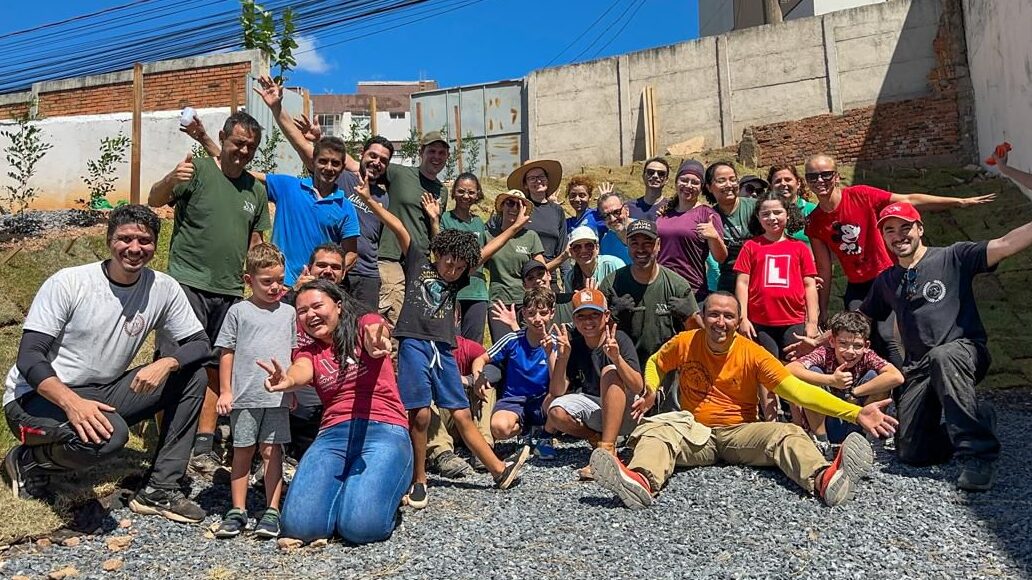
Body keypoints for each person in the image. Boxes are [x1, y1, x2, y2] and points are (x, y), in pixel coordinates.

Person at [588, 292, 899, 510]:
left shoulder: (753, 353)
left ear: (737, 321)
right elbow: (655, 362)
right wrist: (652, 388)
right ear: (703, 317)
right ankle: (640, 481)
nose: (720, 321)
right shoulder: (686, 342)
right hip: (694, 431)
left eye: (728, 316)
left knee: (787, 432)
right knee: (657, 431)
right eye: (713, 314)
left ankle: (825, 479)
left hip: (741, 433)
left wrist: (856, 413)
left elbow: (798, 390)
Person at [3, 205, 209, 522]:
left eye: (145, 240)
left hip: (104, 391)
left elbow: (199, 343)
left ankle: (160, 489)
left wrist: (167, 362)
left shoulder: (163, 287)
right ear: (109, 239)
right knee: (111, 438)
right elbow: (30, 357)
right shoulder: (69, 283)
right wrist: (72, 403)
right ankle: (29, 460)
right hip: (36, 397)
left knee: (192, 375)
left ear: (156, 244)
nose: (135, 248)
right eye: (125, 238)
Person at [356, 175, 531, 509]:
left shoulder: (459, 276)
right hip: (413, 345)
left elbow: (487, 250)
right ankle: (419, 480)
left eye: (460, 265)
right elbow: (400, 228)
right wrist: (371, 201)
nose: (453, 269)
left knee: (462, 414)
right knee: (419, 414)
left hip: (444, 350)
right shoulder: (420, 261)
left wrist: (513, 227)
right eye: (449, 261)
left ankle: (498, 470)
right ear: (439, 254)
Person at [860, 201, 1027, 490]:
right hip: (920, 369)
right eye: (890, 230)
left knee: (943, 355)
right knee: (912, 452)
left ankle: (978, 456)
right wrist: (819, 339)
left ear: (920, 228)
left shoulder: (954, 257)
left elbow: (1006, 242)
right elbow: (861, 317)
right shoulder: (887, 280)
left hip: (963, 352)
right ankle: (980, 418)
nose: (899, 235)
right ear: (884, 237)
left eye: (905, 227)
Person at [148, 111, 270, 475]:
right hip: (187, 284)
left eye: (250, 146)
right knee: (176, 362)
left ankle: (204, 443)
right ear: (223, 137)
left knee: (218, 369)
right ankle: (168, 443)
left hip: (230, 291)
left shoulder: (256, 190)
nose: (243, 150)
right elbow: (155, 199)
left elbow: (257, 242)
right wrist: (172, 178)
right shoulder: (198, 170)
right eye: (238, 143)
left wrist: (257, 283)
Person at [803, 153, 994, 368]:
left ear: (836, 176)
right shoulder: (815, 221)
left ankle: (907, 386)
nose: (819, 181)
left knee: (888, 338)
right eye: (812, 177)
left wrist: (957, 202)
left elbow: (908, 200)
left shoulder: (860, 195)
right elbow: (824, 269)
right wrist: (822, 309)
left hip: (887, 278)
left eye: (825, 175)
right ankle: (879, 392)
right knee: (857, 339)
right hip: (858, 285)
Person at [260, 280, 410, 544]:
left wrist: (378, 342)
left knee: (361, 528)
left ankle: (388, 487)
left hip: (383, 428)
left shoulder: (363, 324)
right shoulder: (309, 351)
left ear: (339, 306)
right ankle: (357, 489)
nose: (311, 315)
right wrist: (287, 381)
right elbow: (301, 370)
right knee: (299, 527)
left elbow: (375, 330)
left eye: (317, 306)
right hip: (333, 434)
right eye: (303, 311)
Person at [212, 244, 295, 539]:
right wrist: (225, 391)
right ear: (249, 281)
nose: (275, 287)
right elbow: (227, 351)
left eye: (280, 280)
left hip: (277, 398)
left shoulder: (289, 313)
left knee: (273, 452)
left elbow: (294, 354)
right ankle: (238, 509)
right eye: (267, 282)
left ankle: (272, 510)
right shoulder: (239, 311)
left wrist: (293, 387)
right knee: (243, 450)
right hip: (245, 397)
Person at [599, 220, 701, 412]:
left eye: (647, 243)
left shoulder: (677, 285)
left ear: (658, 245)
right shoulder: (612, 283)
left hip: (667, 368)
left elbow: (699, 336)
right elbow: (594, 331)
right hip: (626, 365)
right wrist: (613, 314)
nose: (641, 249)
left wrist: (689, 317)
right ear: (627, 246)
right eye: (635, 243)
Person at [547, 288, 643, 478]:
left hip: (627, 410)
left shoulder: (619, 339)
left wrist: (617, 360)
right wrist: (563, 358)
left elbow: (638, 386)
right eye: (581, 316)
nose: (588, 321)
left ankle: (607, 452)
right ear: (574, 319)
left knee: (610, 372)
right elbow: (557, 391)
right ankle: (596, 439)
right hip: (597, 410)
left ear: (606, 316)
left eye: (594, 315)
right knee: (555, 411)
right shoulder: (574, 344)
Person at [787, 311, 903, 452]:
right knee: (812, 374)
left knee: (877, 377)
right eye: (843, 344)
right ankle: (821, 441)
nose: (850, 351)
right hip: (828, 420)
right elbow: (790, 369)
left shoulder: (868, 356)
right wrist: (831, 380)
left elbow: (896, 376)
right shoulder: (824, 353)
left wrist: (854, 393)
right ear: (832, 341)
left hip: (859, 420)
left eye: (857, 346)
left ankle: (869, 441)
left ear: (866, 346)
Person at [375, 131, 451, 324]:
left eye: (442, 153)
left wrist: (434, 219)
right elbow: (361, 167)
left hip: (419, 261)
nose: (436, 157)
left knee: (414, 319)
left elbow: (436, 239)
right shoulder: (399, 173)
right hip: (392, 256)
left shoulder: (442, 190)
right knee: (392, 313)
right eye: (431, 151)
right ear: (421, 153)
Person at [475, 288, 557, 459]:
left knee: (559, 399)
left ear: (552, 313)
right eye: (532, 313)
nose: (537, 319)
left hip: (544, 399)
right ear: (524, 315)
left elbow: (558, 381)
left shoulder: (556, 343)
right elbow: (481, 358)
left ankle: (545, 437)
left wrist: (550, 353)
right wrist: (478, 376)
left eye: (543, 313)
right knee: (499, 428)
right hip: (514, 399)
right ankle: (525, 431)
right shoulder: (512, 339)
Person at [425, 331, 496, 478]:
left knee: (487, 386)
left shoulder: (468, 347)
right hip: (438, 420)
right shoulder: (421, 349)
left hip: (466, 414)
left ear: (456, 317)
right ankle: (442, 454)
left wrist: (471, 380)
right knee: (420, 397)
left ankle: (484, 448)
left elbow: (495, 368)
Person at [656, 159, 727, 303]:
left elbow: (721, 257)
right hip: (660, 288)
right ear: (676, 182)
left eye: (695, 182)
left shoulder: (707, 214)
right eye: (684, 180)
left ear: (701, 187)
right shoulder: (664, 214)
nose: (688, 186)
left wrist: (714, 237)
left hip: (692, 290)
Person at [483, 190, 545, 342]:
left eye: (519, 205)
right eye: (510, 203)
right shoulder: (488, 235)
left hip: (526, 302)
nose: (514, 208)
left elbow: (542, 269)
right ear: (502, 206)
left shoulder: (530, 236)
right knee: (504, 348)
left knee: (529, 346)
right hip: (500, 301)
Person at [440, 172, 490, 343]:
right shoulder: (445, 218)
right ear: (453, 192)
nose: (466, 196)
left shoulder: (479, 223)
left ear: (477, 194)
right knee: (452, 341)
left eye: (471, 192)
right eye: (461, 191)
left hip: (477, 291)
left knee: (473, 344)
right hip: (453, 289)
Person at [507, 160, 570, 280]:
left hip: (549, 277)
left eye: (541, 177)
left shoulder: (557, 211)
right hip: (524, 277)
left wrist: (567, 279)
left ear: (547, 180)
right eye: (532, 178)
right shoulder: (520, 208)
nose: (538, 181)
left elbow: (562, 248)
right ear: (525, 184)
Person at [705, 162, 756, 292]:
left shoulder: (756, 207)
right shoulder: (708, 216)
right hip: (728, 281)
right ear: (709, 187)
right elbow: (720, 258)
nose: (729, 185)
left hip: (758, 278)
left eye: (733, 180)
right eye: (721, 181)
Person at [564, 226, 624, 292]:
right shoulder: (570, 278)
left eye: (589, 246)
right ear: (571, 252)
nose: (583, 250)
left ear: (597, 248)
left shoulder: (613, 265)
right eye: (577, 247)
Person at [767, 163, 816, 244]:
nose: (783, 183)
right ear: (771, 187)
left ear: (798, 183)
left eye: (788, 179)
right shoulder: (766, 214)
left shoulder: (812, 211)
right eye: (778, 181)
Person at [598, 192, 632, 264]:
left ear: (627, 210)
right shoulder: (605, 244)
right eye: (606, 215)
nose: (613, 219)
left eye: (616, 212)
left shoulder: (646, 231)